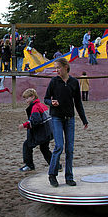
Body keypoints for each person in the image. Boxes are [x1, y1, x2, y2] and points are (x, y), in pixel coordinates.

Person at [44, 58, 88, 187]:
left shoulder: (74, 82)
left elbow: (78, 103)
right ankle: (52, 174)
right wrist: (51, 102)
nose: (56, 70)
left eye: (58, 67)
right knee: (59, 146)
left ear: (66, 67)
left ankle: (69, 176)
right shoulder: (54, 81)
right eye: (55, 68)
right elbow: (46, 98)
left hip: (70, 118)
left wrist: (84, 119)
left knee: (70, 149)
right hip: (56, 117)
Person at [18, 88, 55, 172]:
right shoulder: (42, 105)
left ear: (33, 97)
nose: (26, 100)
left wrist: (24, 125)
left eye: (27, 98)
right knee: (44, 149)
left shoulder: (35, 107)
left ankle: (29, 165)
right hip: (47, 132)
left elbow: (35, 121)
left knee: (27, 145)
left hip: (41, 133)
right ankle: (56, 165)